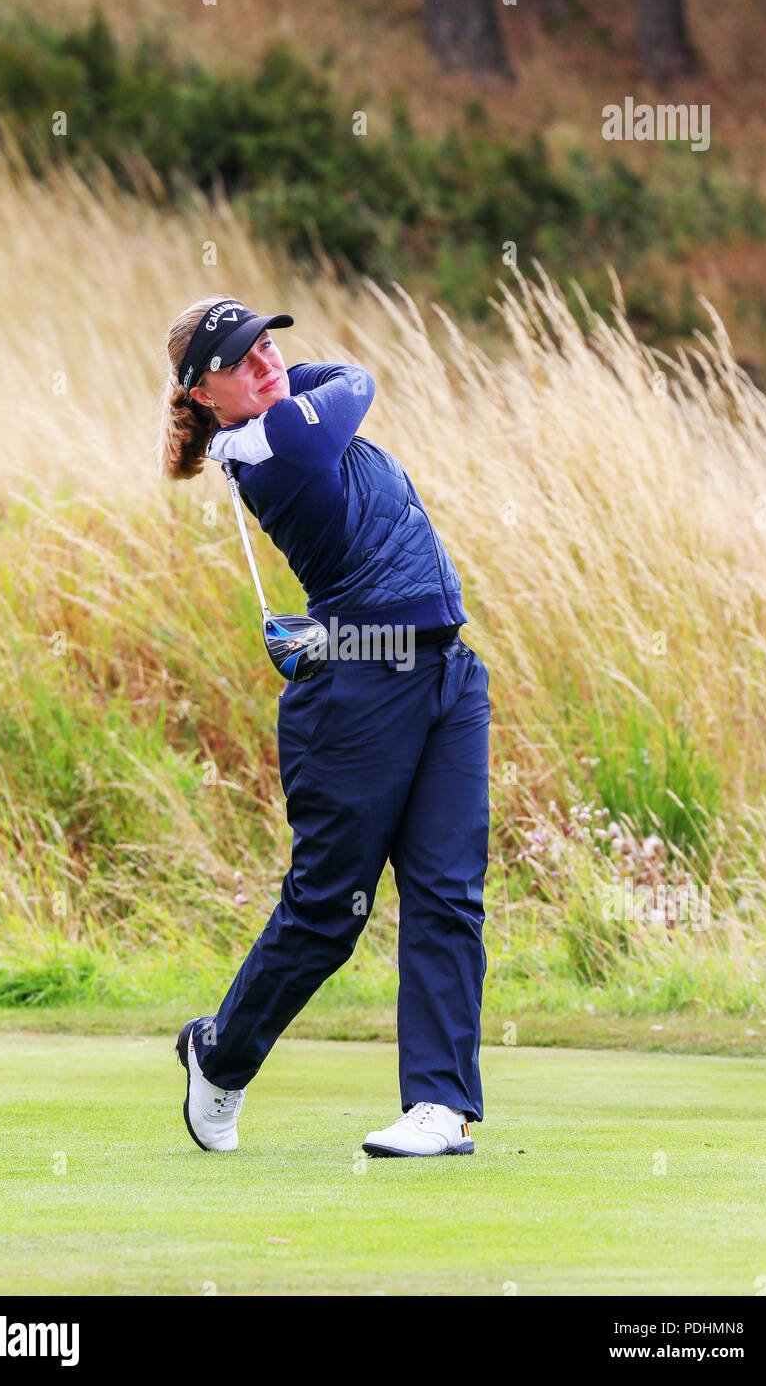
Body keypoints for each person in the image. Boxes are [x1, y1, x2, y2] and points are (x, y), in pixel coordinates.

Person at [157, 295, 491, 1157]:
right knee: (328, 911)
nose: (264, 361)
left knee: (449, 894)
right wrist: (299, 383)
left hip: (447, 673)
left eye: (267, 344)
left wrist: (273, 374)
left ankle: (438, 1108)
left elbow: (328, 386)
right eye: (238, 360)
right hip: (359, 694)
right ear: (201, 395)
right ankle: (220, 1054)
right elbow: (356, 381)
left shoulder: (282, 418)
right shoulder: (271, 448)